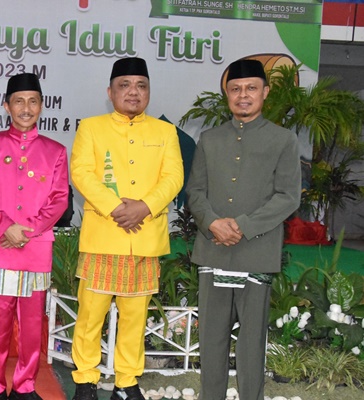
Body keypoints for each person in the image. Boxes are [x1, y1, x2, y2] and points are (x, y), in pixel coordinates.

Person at [186, 59, 301, 400]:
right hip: (214, 248)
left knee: (252, 343)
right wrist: (212, 223)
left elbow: (288, 196)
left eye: (251, 88)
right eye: (235, 89)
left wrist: (243, 226)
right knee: (212, 340)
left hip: (256, 251)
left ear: (265, 92)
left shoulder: (283, 140)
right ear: (227, 94)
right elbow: (195, 191)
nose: (243, 95)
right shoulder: (209, 139)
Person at [70, 57, 184, 400]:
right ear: (110, 92)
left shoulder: (165, 132)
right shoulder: (91, 127)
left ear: (149, 91)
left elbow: (174, 177)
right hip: (104, 235)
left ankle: (126, 381)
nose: (133, 92)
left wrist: (145, 207)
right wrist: (117, 208)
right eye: (125, 85)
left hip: (144, 238)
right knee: (91, 315)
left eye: (141, 85)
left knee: (135, 317)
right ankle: (85, 379)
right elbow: (82, 172)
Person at [0, 73, 69, 400]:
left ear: (42, 105)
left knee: (31, 326)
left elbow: (59, 199)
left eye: (33, 101)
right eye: (19, 101)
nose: (26, 108)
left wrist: (30, 229)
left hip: (35, 248)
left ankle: (25, 386)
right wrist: (3, 228)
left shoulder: (55, 152)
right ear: (6, 106)